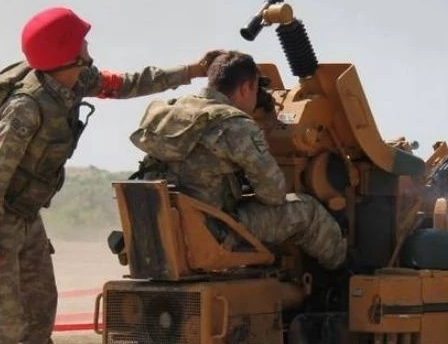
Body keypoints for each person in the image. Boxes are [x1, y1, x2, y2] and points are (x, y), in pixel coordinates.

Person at [0, 6, 223, 344]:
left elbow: (128, 83)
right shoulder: (26, 108)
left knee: (40, 305)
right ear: (66, 56)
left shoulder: (73, 84)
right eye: (82, 44)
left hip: (24, 213)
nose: (89, 50)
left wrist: (191, 69)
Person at [128, 50, 347, 271]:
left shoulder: (169, 112)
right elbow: (274, 194)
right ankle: (342, 275)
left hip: (159, 230)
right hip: (214, 234)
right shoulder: (236, 125)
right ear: (246, 88)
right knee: (306, 210)